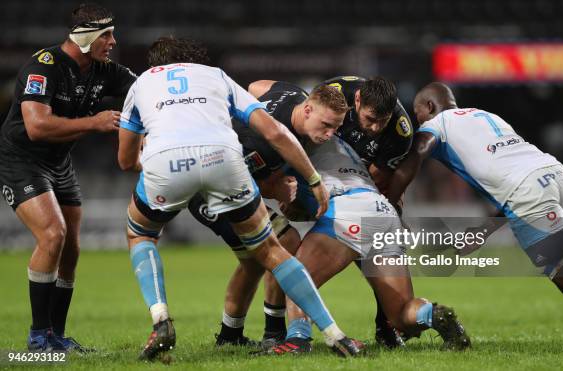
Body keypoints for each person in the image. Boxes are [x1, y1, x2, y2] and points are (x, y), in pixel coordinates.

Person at [118, 36, 363, 361]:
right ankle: (328, 334)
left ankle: (169, 321)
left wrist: (153, 162)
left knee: (142, 233)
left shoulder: (142, 84)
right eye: (326, 124)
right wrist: (305, 182)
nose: (330, 133)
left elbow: (125, 160)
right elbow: (275, 133)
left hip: (167, 162)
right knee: (275, 247)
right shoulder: (217, 78)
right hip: (221, 165)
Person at [387, 82, 563, 345]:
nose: (419, 122)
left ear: (429, 106)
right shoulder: (487, 117)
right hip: (555, 176)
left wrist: (389, 205)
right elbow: (511, 179)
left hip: (529, 191)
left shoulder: (438, 123)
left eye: (418, 115)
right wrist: (483, 231)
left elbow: (416, 154)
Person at [0, 3, 136, 352]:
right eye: (106, 34)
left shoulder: (103, 70)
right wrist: (94, 122)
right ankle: (37, 337)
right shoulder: (43, 67)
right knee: (52, 233)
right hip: (21, 160)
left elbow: (143, 89)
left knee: (71, 247)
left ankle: (56, 337)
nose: (113, 41)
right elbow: (36, 125)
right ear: (87, 36)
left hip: (59, 162)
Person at [262, 134, 470, 354]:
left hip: (348, 208)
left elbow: (270, 182)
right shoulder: (341, 145)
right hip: (383, 211)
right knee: (400, 314)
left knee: (297, 278)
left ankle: (297, 340)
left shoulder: (297, 136)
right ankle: (431, 313)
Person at [187, 81, 349, 349]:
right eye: (326, 125)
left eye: (336, 127)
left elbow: (257, 85)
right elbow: (234, 182)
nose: (330, 134)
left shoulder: (294, 95)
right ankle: (273, 333)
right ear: (307, 110)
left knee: (253, 262)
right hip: (208, 192)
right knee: (282, 243)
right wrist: (273, 190)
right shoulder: (262, 143)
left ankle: (231, 337)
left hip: (222, 181)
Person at [318, 76, 415, 346]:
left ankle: (386, 326)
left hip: (361, 182)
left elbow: (378, 180)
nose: (375, 127)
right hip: (317, 172)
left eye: (381, 121)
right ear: (357, 100)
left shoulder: (399, 131)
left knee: (379, 247)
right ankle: (278, 332)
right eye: (370, 118)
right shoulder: (331, 95)